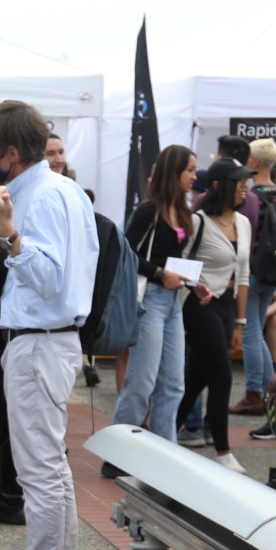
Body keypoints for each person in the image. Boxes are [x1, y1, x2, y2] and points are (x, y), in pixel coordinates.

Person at [0, 100, 99, 550]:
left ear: (8, 153)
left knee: (38, 468)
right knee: (51, 465)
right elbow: (59, 273)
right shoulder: (63, 188)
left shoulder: (39, 197)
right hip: (51, 339)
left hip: (39, 343)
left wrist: (7, 234)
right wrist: (4, 274)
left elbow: (48, 277)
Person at [115, 145, 197, 437]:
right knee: (141, 383)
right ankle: (118, 449)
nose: (193, 176)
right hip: (149, 298)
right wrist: (160, 274)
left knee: (174, 384)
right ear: (172, 172)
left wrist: (191, 280)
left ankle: (165, 453)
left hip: (174, 302)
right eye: (189, 170)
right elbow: (125, 253)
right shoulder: (149, 209)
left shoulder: (184, 210)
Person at [179, 161, 251, 470]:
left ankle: (160, 437)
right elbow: (177, 262)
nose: (246, 187)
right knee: (222, 377)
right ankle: (223, 453)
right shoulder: (198, 221)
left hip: (226, 308)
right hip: (200, 306)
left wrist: (240, 322)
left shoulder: (244, 222)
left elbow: (244, 275)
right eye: (239, 182)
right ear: (221, 184)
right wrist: (196, 286)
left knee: (196, 381)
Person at [237, 155, 276, 415]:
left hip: (253, 268)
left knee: (250, 331)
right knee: (258, 330)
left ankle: (257, 392)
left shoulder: (252, 196)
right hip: (272, 269)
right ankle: (267, 391)